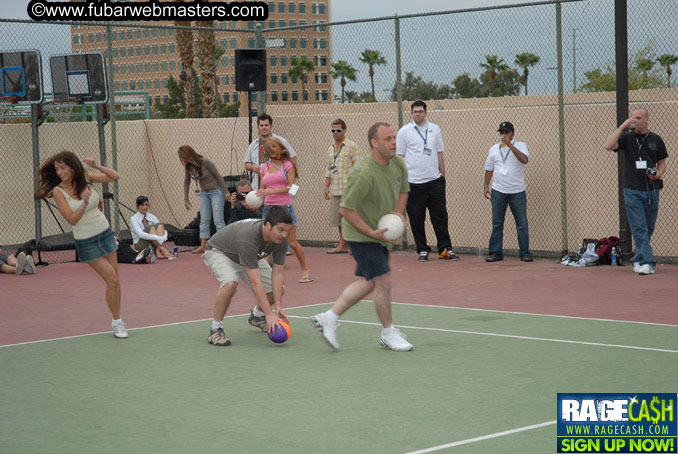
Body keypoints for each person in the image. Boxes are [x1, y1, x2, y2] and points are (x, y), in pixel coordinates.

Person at [310, 122, 413, 352]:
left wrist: (397, 214)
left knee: (370, 283)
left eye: (394, 137)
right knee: (383, 281)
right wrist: (371, 233)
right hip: (360, 234)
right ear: (374, 143)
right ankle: (388, 333)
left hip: (378, 234)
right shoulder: (363, 172)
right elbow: (345, 209)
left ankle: (330, 317)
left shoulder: (397, 164)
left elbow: (404, 190)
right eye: (388, 139)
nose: (394, 142)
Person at [36, 151, 127, 338]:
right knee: (113, 280)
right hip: (87, 241)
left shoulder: (85, 178)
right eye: (57, 169)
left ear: (72, 166)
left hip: (105, 233)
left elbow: (114, 176)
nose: (60, 172)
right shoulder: (58, 192)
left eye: (63, 167)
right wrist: (85, 201)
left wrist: (96, 165)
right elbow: (72, 219)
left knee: (115, 281)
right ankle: (117, 323)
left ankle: (117, 319)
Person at [202, 206, 294, 346]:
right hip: (220, 252)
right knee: (230, 283)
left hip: (247, 256)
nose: (284, 235)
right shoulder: (248, 237)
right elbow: (255, 282)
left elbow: (278, 272)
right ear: (268, 225)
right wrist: (270, 315)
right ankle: (216, 329)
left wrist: (278, 306)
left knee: (278, 290)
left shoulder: (281, 240)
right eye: (280, 230)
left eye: (286, 231)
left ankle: (257, 316)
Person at [604, 108, 668, 275]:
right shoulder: (627, 137)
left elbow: (662, 163)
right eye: (633, 118)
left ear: (647, 120)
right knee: (639, 227)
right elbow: (608, 146)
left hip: (652, 190)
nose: (635, 121)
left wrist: (659, 173)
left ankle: (638, 258)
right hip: (632, 189)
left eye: (638, 118)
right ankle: (648, 262)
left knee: (648, 227)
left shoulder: (656, 139)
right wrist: (622, 127)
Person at [396, 101, 459, 262]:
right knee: (416, 219)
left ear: (426, 113)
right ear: (411, 113)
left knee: (440, 217)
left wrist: (442, 177)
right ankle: (422, 250)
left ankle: (445, 249)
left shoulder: (435, 129)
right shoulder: (404, 132)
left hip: (434, 182)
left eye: (420, 111)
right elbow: (399, 157)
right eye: (415, 112)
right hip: (413, 184)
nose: (417, 114)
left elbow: (439, 153)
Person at [258, 137, 313, 283]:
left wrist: (270, 192)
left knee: (293, 242)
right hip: (268, 208)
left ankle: (305, 269)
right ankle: (264, 276)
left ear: (280, 147)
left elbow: (291, 188)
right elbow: (261, 189)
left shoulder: (288, 165)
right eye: (269, 148)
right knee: (267, 242)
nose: (272, 150)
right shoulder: (264, 167)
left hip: (285, 207)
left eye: (274, 147)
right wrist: (254, 199)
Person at [483, 121, 533, 262]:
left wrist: (510, 145)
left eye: (507, 132)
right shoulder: (494, 149)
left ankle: (525, 252)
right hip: (498, 191)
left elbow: (525, 160)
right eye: (502, 132)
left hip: (517, 191)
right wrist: (486, 186)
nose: (504, 135)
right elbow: (489, 168)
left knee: (521, 223)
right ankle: (495, 252)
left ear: (513, 133)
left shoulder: (521, 145)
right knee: (497, 223)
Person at [179, 145, 229, 254]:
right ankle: (203, 246)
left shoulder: (205, 162)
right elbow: (186, 182)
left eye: (183, 156)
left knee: (218, 220)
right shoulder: (188, 166)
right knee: (204, 220)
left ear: (189, 155)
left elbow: (218, 176)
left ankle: (224, 245)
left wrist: (226, 192)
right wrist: (186, 199)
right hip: (204, 193)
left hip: (216, 192)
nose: (183, 159)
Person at [323, 119, 359, 254]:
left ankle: (355, 246)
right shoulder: (330, 149)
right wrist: (326, 187)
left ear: (344, 131)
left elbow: (357, 168)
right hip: (335, 189)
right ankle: (342, 245)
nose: (336, 133)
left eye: (338, 130)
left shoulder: (352, 146)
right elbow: (329, 169)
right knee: (339, 220)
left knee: (350, 218)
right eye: (333, 130)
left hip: (348, 189)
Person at [244, 113, 298, 190]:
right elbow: (246, 164)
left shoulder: (281, 141)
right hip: (259, 187)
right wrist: (253, 167)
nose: (264, 128)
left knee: (283, 199)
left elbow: (294, 158)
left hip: (279, 186)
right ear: (258, 127)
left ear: (271, 126)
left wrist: (280, 170)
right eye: (261, 125)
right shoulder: (253, 144)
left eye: (266, 125)